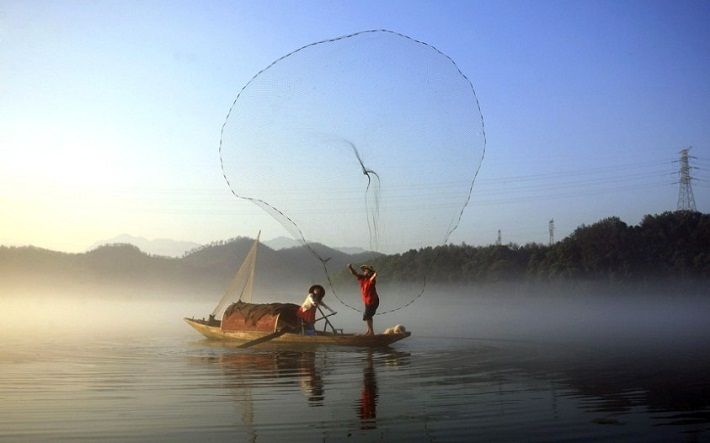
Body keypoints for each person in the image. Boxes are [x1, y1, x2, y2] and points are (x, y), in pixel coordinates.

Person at [348, 264, 379, 335]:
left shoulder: (371, 279)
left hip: (373, 301)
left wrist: (374, 275)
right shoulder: (362, 278)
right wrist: (350, 268)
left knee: (367, 315)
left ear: (370, 273)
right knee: (368, 316)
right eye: (365, 271)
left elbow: (373, 278)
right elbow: (354, 273)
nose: (365, 272)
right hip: (367, 301)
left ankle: (371, 332)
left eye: (367, 271)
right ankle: (370, 331)